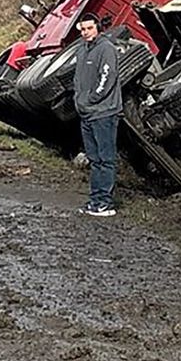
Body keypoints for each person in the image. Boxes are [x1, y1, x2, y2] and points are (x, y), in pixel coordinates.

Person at [70, 13, 122, 217]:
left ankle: (105, 203)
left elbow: (107, 77)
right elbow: (77, 78)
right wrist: (78, 99)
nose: (86, 33)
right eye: (82, 29)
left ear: (97, 27)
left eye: (89, 28)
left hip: (104, 112)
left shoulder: (106, 49)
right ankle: (95, 200)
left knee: (105, 159)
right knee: (94, 159)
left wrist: (92, 98)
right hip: (86, 114)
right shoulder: (82, 50)